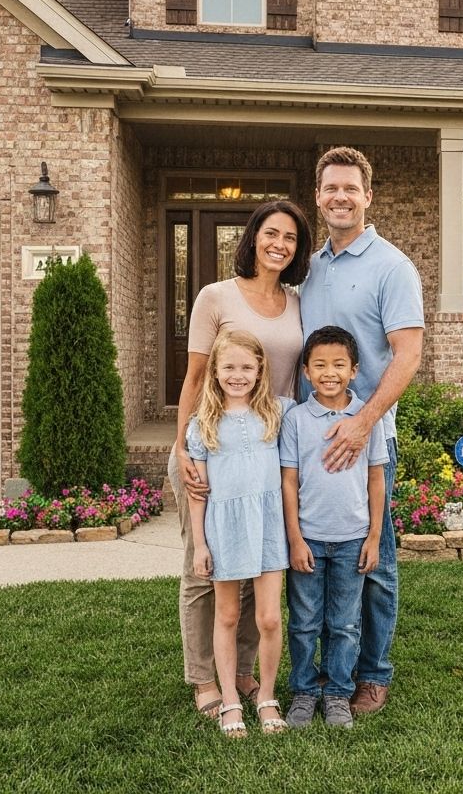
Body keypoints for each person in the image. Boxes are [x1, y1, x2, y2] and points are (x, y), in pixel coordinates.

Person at [169, 199, 312, 720]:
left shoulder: (298, 302)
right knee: (204, 570)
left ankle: (246, 671)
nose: (279, 244)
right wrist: (185, 445)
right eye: (271, 233)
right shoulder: (216, 296)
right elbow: (194, 377)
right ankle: (205, 678)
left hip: (267, 444)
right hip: (210, 444)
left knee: (258, 564)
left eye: (291, 238)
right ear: (251, 237)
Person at [300, 146, 424, 716]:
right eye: (331, 189)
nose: (341, 197)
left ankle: (372, 675)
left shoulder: (392, 266)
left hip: (367, 440)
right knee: (312, 561)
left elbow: (408, 354)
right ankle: (319, 676)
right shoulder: (314, 265)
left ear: (368, 196)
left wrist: (363, 422)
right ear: (319, 196)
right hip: (311, 439)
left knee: (374, 560)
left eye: (351, 188)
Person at [280, 326, 388, 730]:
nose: (330, 373)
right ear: (306, 371)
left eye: (339, 365)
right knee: (305, 621)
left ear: (354, 371)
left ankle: (339, 692)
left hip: (352, 539)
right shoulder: (295, 420)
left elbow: (376, 479)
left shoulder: (365, 420)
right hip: (308, 537)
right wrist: (294, 538)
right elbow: (288, 481)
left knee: (344, 623)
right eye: (320, 365)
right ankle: (305, 691)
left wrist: (375, 536)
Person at [186, 329, 291, 738]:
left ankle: (266, 695)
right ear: (214, 371)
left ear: (260, 369)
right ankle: (230, 697)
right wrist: (200, 544)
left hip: (267, 527)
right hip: (224, 529)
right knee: (227, 615)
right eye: (229, 367)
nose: (238, 375)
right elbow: (198, 495)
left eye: (247, 367)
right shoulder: (203, 424)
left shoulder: (277, 413)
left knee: (267, 617)